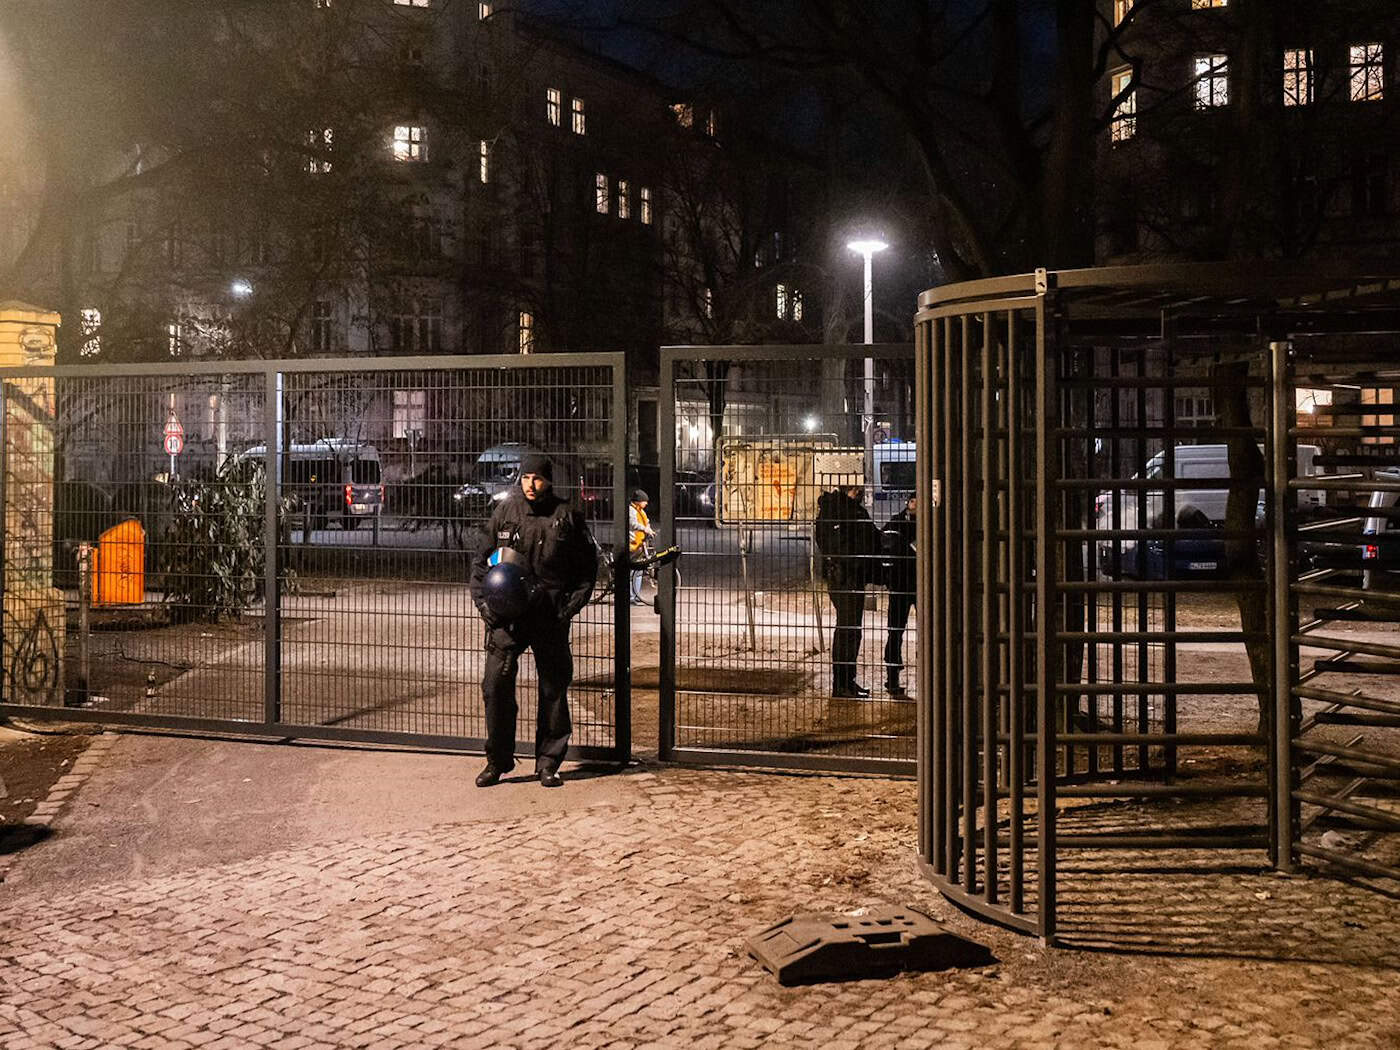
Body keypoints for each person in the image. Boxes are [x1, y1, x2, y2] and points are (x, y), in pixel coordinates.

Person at [469, 453, 597, 788]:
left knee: (553, 689)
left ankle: (549, 763)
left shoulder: (566, 516)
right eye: (526, 477)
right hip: (506, 618)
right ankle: (498, 760)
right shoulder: (505, 512)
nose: (530, 484)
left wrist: (566, 610)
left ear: (548, 481)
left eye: (537, 478)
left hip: (548, 616)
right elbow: (480, 564)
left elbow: (586, 571)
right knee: (495, 686)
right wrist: (486, 607)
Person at [814, 482, 882, 697]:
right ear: (854, 489)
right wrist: (857, 562)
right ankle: (842, 683)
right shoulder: (837, 510)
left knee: (852, 629)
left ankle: (847, 681)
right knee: (847, 629)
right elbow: (837, 546)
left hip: (851, 576)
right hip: (845, 577)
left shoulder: (847, 509)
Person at [881, 495, 917, 699]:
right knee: (895, 632)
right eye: (913, 501)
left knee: (898, 631)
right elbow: (885, 548)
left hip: (914, 584)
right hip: (902, 584)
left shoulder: (897, 523)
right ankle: (892, 677)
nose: (915, 505)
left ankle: (895, 676)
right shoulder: (896, 523)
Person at [627, 488, 655, 605]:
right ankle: (631, 596)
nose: (646, 503)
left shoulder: (641, 511)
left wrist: (649, 529)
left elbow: (646, 522)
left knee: (638, 571)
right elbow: (633, 524)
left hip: (640, 544)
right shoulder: (631, 511)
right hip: (632, 544)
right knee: (632, 571)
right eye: (645, 501)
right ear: (638, 501)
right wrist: (645, 529)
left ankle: (636, 594)